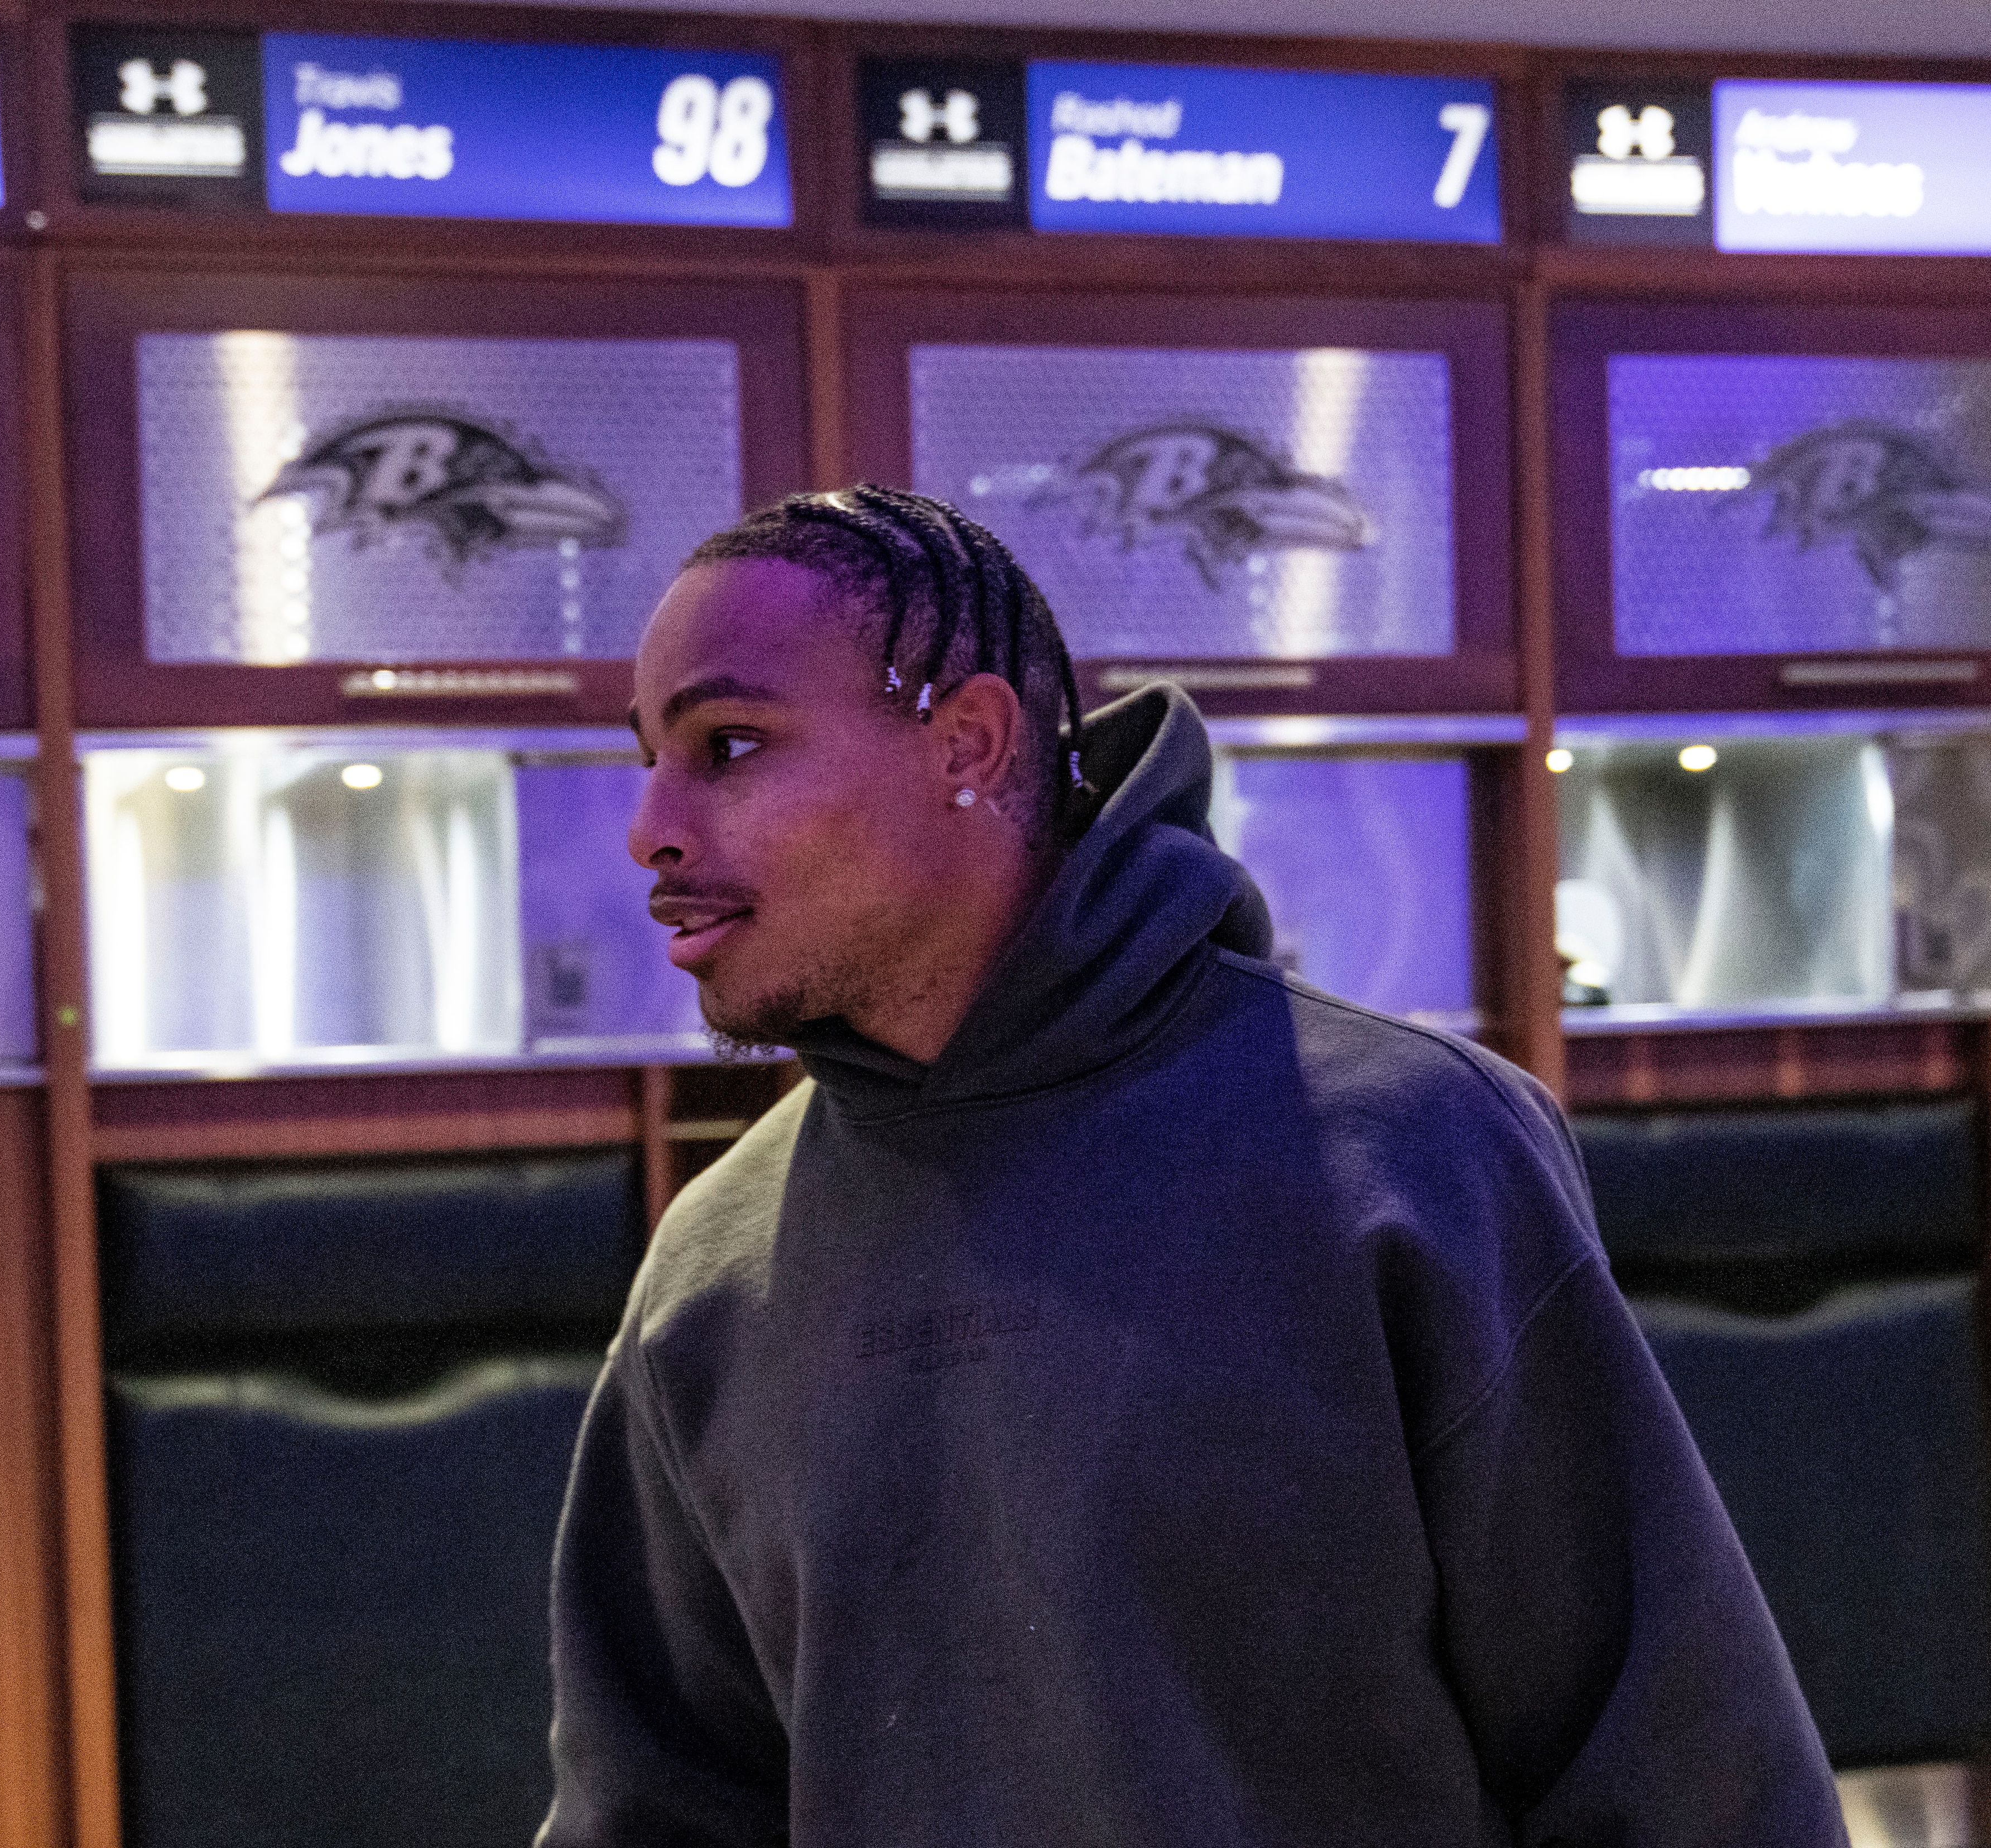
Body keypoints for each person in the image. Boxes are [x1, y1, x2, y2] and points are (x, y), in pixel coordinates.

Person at [537, 485, 1844, 1847]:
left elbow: (1691, 1780)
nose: (649, 828)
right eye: (649, 759)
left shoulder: (1408, 1154)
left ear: (966, 740)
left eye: (729, 745)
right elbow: (654, 1814)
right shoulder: (713, 1267)